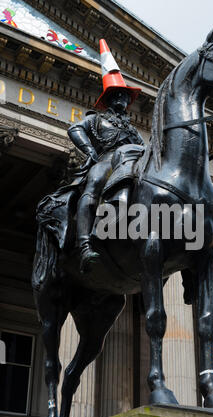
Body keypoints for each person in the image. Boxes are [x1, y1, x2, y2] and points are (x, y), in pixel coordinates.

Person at [35, 39, 144, 274]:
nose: (121, 99)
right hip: (106, 160)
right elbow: (75, 129)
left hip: (130, 164)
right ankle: (84, 242)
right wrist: (90, 150)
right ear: (108, 99)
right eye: (116, 95)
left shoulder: (133, 131)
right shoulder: (97, 119)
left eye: (124, 96)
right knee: (93, 185)